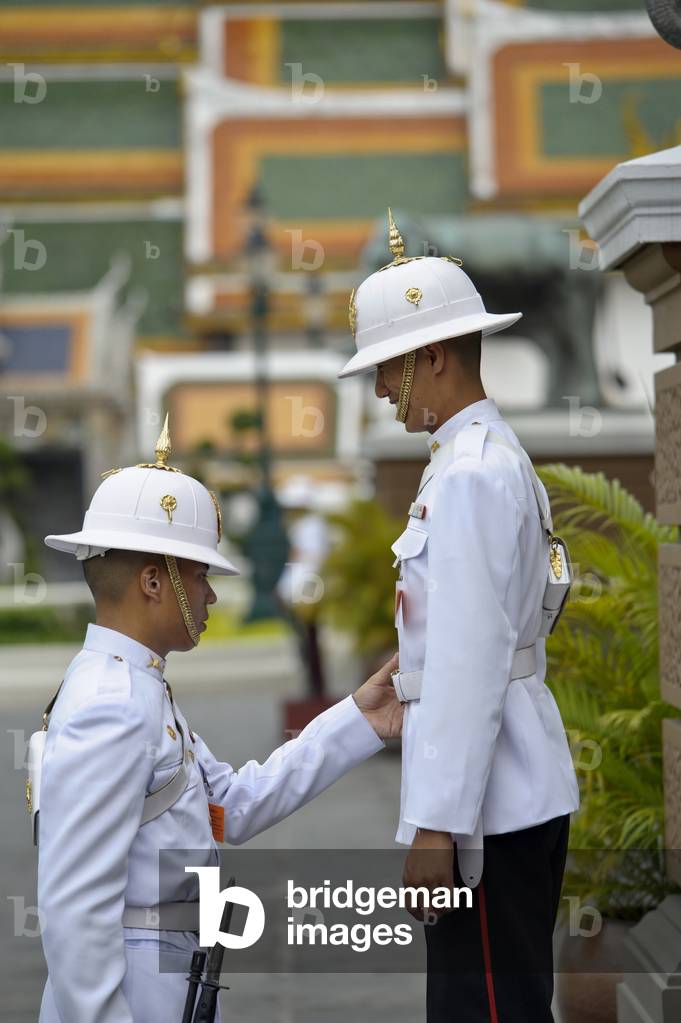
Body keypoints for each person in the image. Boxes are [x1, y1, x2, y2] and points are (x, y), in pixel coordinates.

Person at [32, 416, 403, 1023]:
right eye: (200, 576)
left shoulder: (137, 688)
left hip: (168, 966)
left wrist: (357, 721)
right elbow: (75, 906)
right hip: (130, 983)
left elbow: (227, 806)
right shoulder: (112, 704)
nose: (210, 597)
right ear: (153, 582)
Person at [338, 210, 580, 1021]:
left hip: (488, 807)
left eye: (387, 366)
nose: (377, 388)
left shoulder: (470, 476)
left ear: (434, 356)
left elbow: (469, 661)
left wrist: (437, 826)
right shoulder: (483, 457)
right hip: (514, 780)